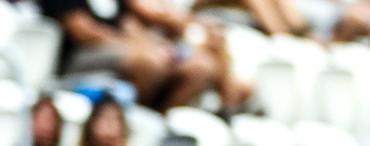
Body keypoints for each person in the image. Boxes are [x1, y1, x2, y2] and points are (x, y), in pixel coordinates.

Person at [36, 0, 251, 112]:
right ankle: (127, 119)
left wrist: (157, 46)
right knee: (148, 62)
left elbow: (130, 22)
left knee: (199, 67)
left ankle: (161, 120)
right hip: (79, 57)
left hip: (122, 46)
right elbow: (82, 32)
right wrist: (140, 47)